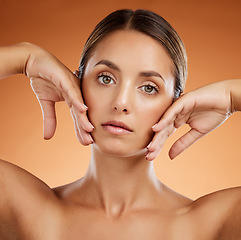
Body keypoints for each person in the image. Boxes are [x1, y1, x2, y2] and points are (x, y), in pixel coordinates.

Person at [0, 9, 240, 239]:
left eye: (148, 88)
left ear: (177, 104)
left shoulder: (207, 224)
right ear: (77, 84)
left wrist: (231, 97)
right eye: (106, 78)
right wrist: (25, 57)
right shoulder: (29, 209)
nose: (121, 102)